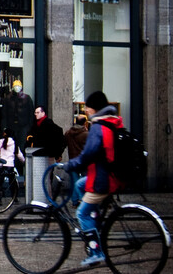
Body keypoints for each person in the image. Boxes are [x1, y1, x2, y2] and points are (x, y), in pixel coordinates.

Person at [64, 91, 122, 266]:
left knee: (81, 214)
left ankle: (96, 251)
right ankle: (95, 216)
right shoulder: (111, 122)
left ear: (95, 108)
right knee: (80, 185)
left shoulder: (98, 126)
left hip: (102, 179)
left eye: (88, 107)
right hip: (109, 174)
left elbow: (88, 154)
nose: (86, 110)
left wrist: (70, 165)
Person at [0, 79, 35, 151]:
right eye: (15, 86)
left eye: (18, 86)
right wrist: (4, 126)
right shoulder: (7, 99)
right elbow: (4, 114)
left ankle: (20, 156)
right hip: (11, 125)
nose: (17, 88)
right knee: (11, 143)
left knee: (22, 143)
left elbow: (31, 112)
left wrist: (29, 126)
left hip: (23, 125)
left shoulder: (27, 98)